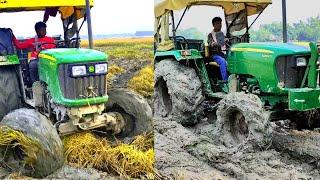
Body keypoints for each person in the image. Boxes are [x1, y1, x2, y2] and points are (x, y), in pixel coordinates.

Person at [207, 17, 228, 81]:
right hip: (215, 55)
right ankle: (226, 81)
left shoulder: (221, 34)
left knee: (234, 60)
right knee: (222, 61)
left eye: (220, 23)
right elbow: (211, 44)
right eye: (218, 23)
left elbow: (225, 44)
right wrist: (220, 42)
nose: (220, 25)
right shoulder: (210, 35)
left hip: (223, 53)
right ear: (213, 25)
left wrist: (227, 41)